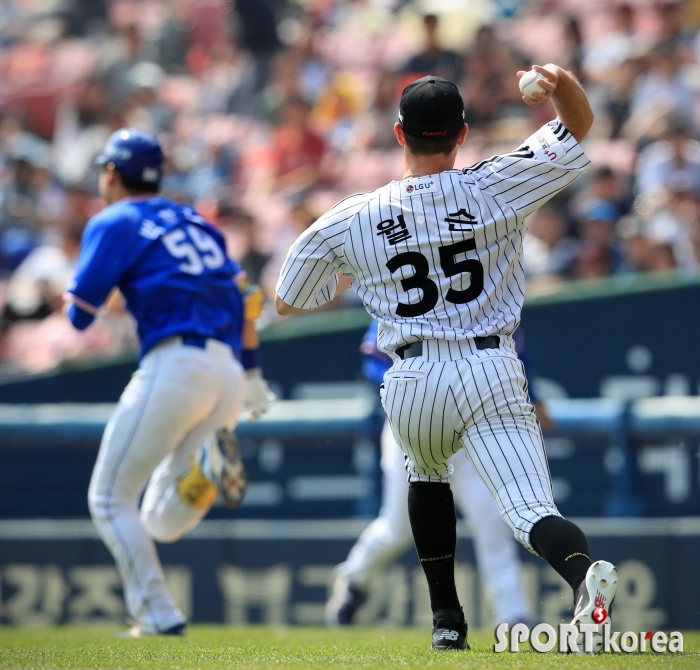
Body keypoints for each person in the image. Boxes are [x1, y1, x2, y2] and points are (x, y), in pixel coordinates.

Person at [275, 68, 618, 651]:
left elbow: (288, 301)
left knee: (424, 476)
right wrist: (560, 81)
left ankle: (446, 622)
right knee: (531, 512)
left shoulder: (352, 215)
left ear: (399, 133)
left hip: (411, 375)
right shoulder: (499, 185)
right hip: (491, 365)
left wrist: (367, 269)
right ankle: (586, 581)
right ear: (461, 133)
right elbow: (579, 125)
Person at [64, 128, 274, 637]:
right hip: (227, 368)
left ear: (111, 173)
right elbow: (247, 301)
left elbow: (79, 318)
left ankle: (157, 612)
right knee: (158, 521)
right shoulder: (198, 223)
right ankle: (206, 462)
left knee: (110, 498)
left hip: (177, 362)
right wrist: (251, 373)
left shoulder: (114, 218)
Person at [326, 322, 551, 627]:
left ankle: (514, 616)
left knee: (492, 522)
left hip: (472, 429)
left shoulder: (480, 289)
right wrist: (414, 385)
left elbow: (514, 352)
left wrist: (531, 393)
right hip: (414, 426)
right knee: (397, 529)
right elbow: (373, 364)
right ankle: (354, 581)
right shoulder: (402, 286)